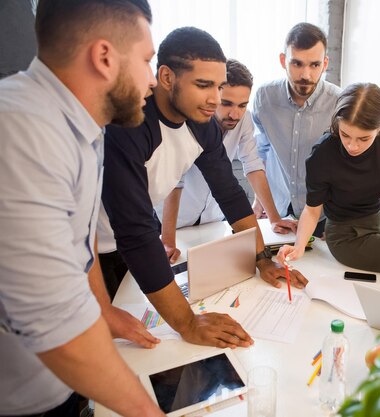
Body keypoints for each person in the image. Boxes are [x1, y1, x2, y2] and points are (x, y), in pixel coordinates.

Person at [0, 0, 164, 416]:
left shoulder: (83, 125)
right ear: (104, 56)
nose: (151, 81)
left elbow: (80, 235)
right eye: (146, 61)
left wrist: (103, 310)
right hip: (22, 395)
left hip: (66, 384)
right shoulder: (22, 130)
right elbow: (55, 324)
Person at [98, 27, 307, 348]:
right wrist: (188, 324)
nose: (215, 99)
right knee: (101, 345)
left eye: (219, 85)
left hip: (132, 244)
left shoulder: (201, 123)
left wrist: (263, 258)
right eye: (203, 85)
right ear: (166, 78)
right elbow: (134, 231)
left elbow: (231, 195)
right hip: (92, 249)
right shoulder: (130, 124)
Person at [277, 83, 380, 280]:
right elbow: (312, 210)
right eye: (345, 134)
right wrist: (299, 247)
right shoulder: (322, 154)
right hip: (345, 235)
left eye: (364, 139)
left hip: (378, 222)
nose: (352, 146)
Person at [158, 59, 297, 243]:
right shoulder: (189, 121)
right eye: (226, 103)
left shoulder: (244, 120)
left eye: (242, 105)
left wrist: (274, 218)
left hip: (214, 219)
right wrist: (168, 239)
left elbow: (253, 165)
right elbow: (175, 182)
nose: (235, 114)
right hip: (173, 221)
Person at [252, 22, 341, 237]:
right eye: (297, 63)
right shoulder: (264, 97)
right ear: (283, 61)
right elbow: (259, 154)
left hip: (324, 215)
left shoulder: (340, 102)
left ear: (325, 63)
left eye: (314, 65)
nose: (306, 75)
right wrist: (259, 202)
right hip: (279, 210)